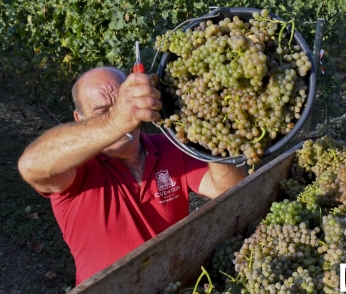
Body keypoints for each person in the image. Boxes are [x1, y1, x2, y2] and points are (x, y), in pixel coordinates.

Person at [18, 67, 247, 285]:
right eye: (102, 112)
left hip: (172, 284)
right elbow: (31, 165)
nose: (123, 116)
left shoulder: (169, 147)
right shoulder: (76, 167)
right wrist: (115, 121)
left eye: (121, 104)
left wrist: (213, 133)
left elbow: (232, 192)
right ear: (80, 118)